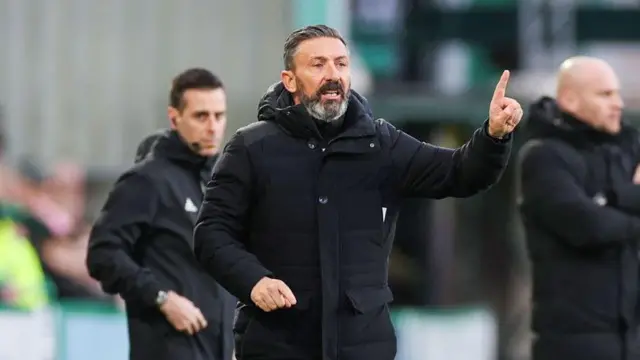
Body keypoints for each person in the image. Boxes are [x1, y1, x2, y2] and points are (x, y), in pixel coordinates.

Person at [194, 24, 521, 360]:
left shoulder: (381, 144)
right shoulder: (251, 147)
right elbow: (211, 234)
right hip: (276, 345)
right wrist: (255, 281)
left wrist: (493, 137)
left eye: (341, 64)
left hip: (363, 346)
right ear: (289, 80)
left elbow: (460, 173)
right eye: (318, 65)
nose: (332, 75)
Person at [86, 68, 234, 360]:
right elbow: (103, 254)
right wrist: (161, 298)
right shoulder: (147, 181)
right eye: (201, 116)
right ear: (174, 117)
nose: (213, 127)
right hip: (168, 349)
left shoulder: (223, 184)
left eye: (219, 116)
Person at [517, 56, 640, 360]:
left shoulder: (625, 153)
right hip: (570, 347)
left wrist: (609, 200)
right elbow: (587, 226)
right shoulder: (544, 157)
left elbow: (602, 218)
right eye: (605, 94)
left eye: (617, 93)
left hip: (629, 344)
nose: (618, 104)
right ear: (570, 99)